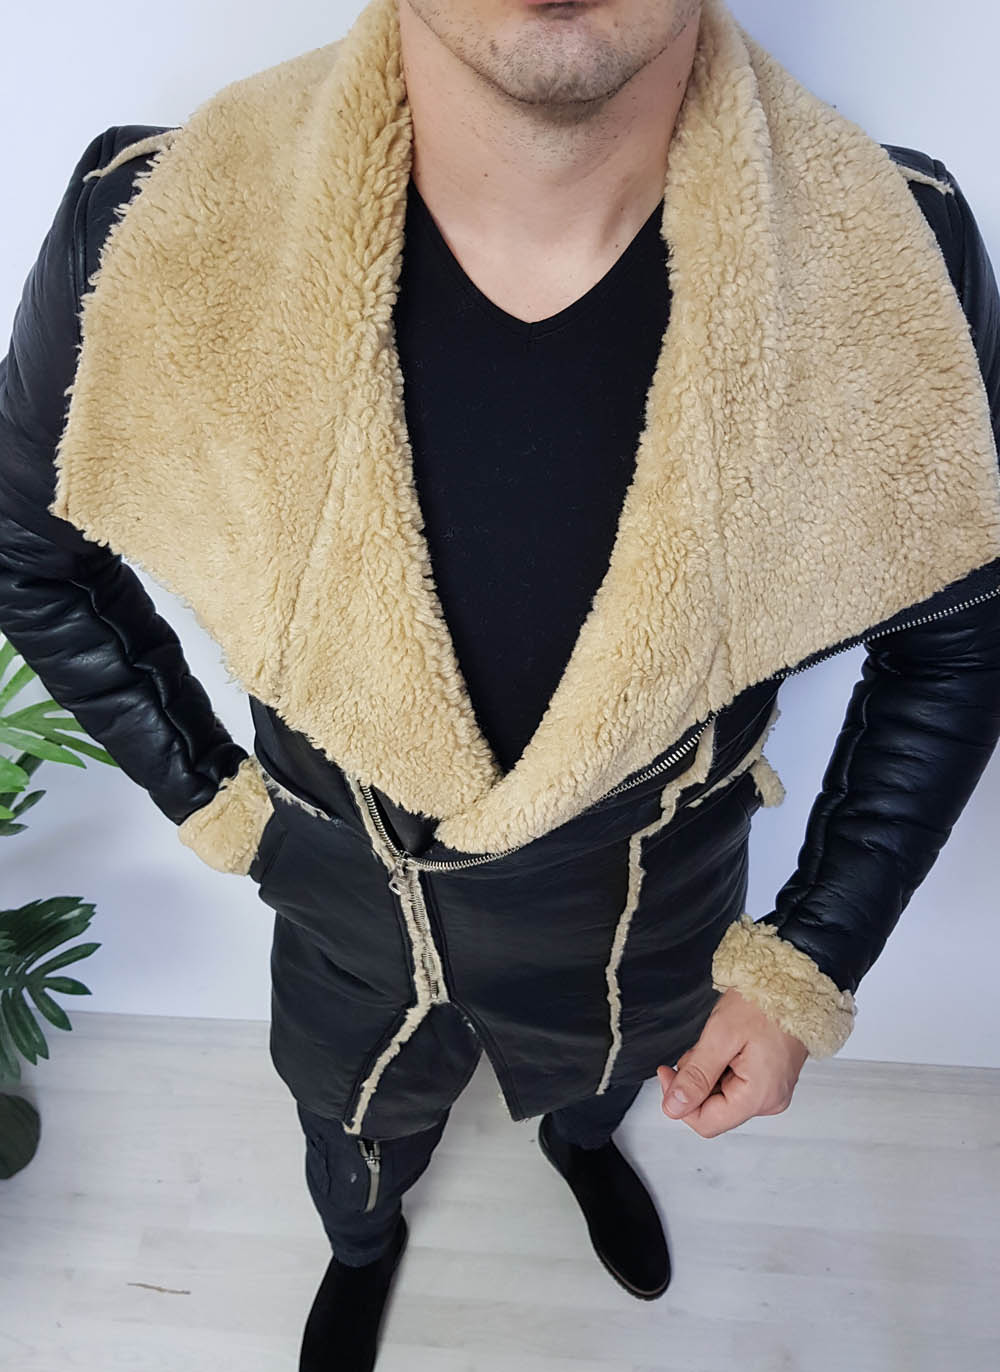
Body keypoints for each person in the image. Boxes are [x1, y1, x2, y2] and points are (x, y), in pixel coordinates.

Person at [2, 0, 1000, 1367]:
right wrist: (213, 802)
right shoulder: (152, 220)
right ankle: (364, 1245)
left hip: (649, 912)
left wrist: (809, 960)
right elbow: (31, 555)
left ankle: (584, 1148)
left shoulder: (894, 251)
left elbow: (958, 633)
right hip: (341, 901)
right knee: (352, 1130)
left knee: (603, 1090)